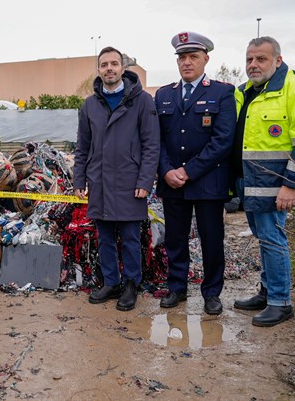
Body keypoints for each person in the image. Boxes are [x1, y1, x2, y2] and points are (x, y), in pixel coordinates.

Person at [232, 37, 295, 326]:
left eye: (261, 59)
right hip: (252, 181)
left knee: (273, 239)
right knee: (264, 238)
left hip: (278, 183)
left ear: (277, 60)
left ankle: (281, 301)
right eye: (249, 59)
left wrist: (291, 184)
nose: (253, 65)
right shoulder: (245, 92)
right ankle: (267, 290)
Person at [155, 32, 237, 315]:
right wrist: (166, 170)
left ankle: (212, 292)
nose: (187, 62)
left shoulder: (222, 92)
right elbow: (158, 140)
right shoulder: (164, 95)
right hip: (171, 183)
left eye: (193, 57)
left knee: (211, 239)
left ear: (206, 59)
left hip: (207, 181)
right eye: (182, 57)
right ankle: (176, 287)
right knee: (175, 239)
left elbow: (223, 140)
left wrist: (187, 171)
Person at [73, 46, 160, 311]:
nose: (109, 68)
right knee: (105, 238)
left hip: (129, 183)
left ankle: (131, 284)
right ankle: (111, 282)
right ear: (98, 70)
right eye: (104, 64)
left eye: (114, 64)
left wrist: (145, 181)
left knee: (131, 238)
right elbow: (82, 146)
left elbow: (151, 145)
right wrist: (79, 180)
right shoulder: (90, 105)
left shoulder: (142, 101)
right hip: (99, 182)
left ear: (123, 68)